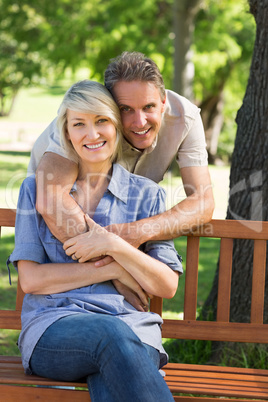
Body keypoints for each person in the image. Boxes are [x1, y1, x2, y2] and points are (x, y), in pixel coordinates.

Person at [9, 80, 182, 402]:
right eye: (79, 124)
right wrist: (112, 270)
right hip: (54, 327)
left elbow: (166, 286)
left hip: (133, 328)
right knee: (111, 336)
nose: (92, 135)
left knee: (111, 374)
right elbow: (32, 280)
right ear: (67, 132)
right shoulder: (35, 190)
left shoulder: (147, 194)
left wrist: (112, 243)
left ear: (116, 125)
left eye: (101, 121)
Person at [28, 51, 214, 252]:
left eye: (148, 107)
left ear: (163, 103)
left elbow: (202, 202)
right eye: (126, 109)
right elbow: (50, 200)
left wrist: (135, 233)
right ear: (110, 109)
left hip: (124, 234)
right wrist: (114, 257)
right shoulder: (79, 125)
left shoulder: (185, 117)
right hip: (58, 235)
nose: (140, 122)